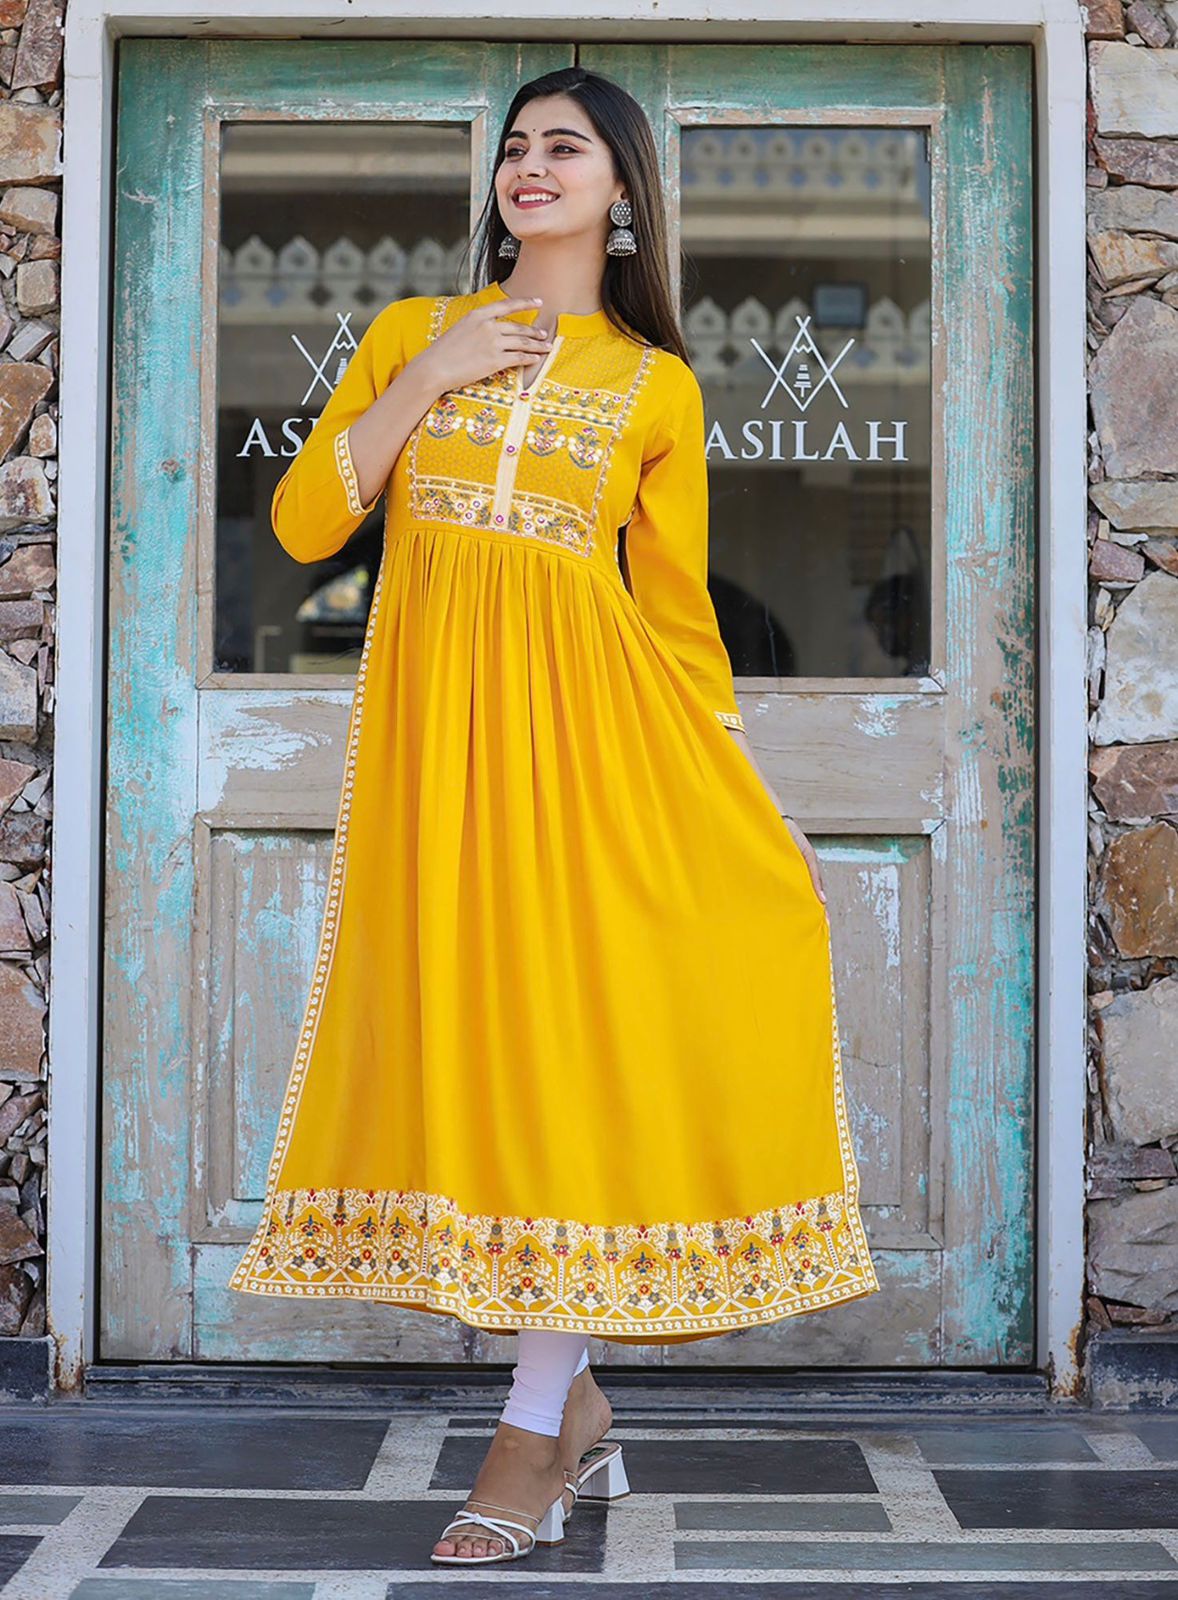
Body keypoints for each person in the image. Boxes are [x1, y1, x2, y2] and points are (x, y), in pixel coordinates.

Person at [229, 65, 880, 1568]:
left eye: (565, 147)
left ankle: (529, 1433)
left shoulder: (656, 387)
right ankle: (573, 1399)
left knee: (573, 1060)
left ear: (623, 188)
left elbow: (679, 623)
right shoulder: (416, 331)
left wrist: (742, 796)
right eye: (515, 147)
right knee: (490, 1062)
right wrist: (431, 374)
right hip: (441, 760)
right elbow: (307, 525)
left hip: (603, 757)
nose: (531, 166)